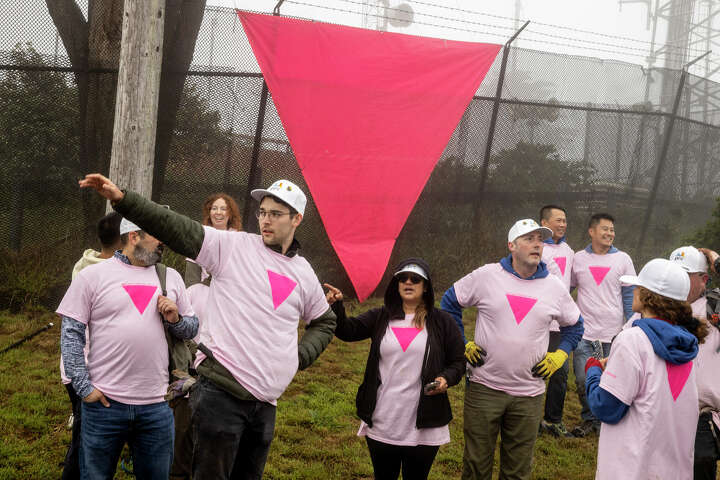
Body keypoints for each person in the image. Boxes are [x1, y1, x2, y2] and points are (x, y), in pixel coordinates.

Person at [78, 173, 336, 480]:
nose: (266, 220)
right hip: (222, 394)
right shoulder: (233, 247)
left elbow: (324, 320)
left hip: (266, 404)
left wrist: (299, 355)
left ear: (297, 219)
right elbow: (176, 227)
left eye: (276, 214)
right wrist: (124, 200)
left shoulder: (303, 272)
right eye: (263, 212)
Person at [441, 219, 584, 480]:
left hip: (529, 394)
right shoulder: (486, 276)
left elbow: (575, 326)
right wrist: (461, 343)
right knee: (475, 466)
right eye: (529, 239)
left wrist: (560, 355)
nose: (537, 245)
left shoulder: (555, 287)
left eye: (540, 240)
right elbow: (449, 302)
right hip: (485, 387)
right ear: (512, 246)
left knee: (518, 471)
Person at [57, 218, 198, 479]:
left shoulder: (171, 276)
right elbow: (71, 333)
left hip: (158, 406)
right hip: (104, 405)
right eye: (156, 236)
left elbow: (192, 329)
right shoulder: (92, 276)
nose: (162, 242)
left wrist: (176, 319)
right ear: (134, 236)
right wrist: (84, 388)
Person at [324, 258, 465, 480]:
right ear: (396, 284)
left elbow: (458, 361)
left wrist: (446, 379)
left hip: (424, 422)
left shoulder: (442, 321)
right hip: (384, 419)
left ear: (425, 286)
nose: (408, 282)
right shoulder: (381, 316)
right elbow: (347, 331)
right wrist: (336, 306)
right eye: (403, 278)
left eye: (415, 279)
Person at [585, 258, 707, 480]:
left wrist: (593, 370)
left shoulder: (632, 339)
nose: (634, 290)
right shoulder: (689, 346)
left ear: (648, 295)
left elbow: (606, 407)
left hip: (630, 469)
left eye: (638, 286)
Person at [60, 211, 122, 480]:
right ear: (124, 240)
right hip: (86, 371)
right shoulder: (96, 275)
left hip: (77, 370)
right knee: (86, 443)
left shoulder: (85, 263)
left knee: (87, 437)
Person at [570, 212, 636, 437]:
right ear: (591, 231)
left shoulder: (623, 259)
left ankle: (607, 421)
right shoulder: (578, 258)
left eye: (612, 230)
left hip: (614, 334)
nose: (610, 233)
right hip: (584, 332)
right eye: (605, 229)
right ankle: (589, 419)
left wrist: (631, 326)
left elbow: (629, 296)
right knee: (582, 378)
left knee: (612, 379)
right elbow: (565, 289)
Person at [674, 246, 720, 479]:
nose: (676, 280)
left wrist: (717, 261)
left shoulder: (714, 308)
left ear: (703, 279)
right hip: (663, 411)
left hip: (703, 416)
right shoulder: (656, 306)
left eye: (685, 275)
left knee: (699, 467)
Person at [538, 204, 575, 437]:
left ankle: (553, 421)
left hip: (559, 324)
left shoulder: (570, 251)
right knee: (530, 368)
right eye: (558, 220)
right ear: (544, 223)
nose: (562, 224)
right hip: (536, 321)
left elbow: (569, 283)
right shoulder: (536, 247)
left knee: (560, 372)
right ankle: (525, 419)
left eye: (564, 220)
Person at [185, 193, 242, 287]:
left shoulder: (239, 240)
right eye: (214, 208)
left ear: (230, 213)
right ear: (209, 212)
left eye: (223, 209)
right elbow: (191, 283)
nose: (218, 212)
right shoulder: (198, 238)